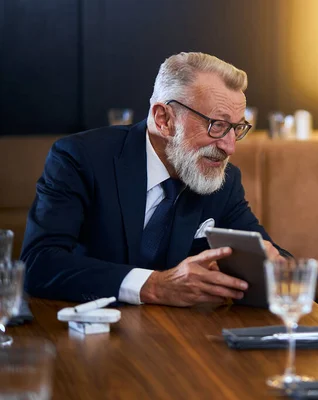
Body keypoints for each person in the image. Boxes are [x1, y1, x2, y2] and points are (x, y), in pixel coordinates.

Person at [21, 52, 288, 307]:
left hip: (180, 340)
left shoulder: (223, 181)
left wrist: (274, 269)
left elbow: (274, 258)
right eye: (217, 125)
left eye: (237, 128)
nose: (230, 147)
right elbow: (39, 263)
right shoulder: (80, 159)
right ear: (164, 120)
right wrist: (155, 285)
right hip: (87, 336)